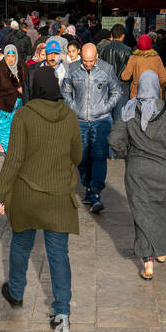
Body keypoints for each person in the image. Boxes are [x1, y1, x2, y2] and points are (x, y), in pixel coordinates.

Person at [0, 64, 82, 332]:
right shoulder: (69, 115)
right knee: (58, 254)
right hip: (58, 197)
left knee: (20, 244)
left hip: (27, 195)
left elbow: (14, 160)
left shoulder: (24, 116)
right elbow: (77, 155)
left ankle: (16, 292)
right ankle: (62, 310)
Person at [109, 71, 166, 280]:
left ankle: (147, 263)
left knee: (142, 215)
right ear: (157, 88)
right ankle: (161, 251)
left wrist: (127, 153)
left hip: (137, 172)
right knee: (164, 212)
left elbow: (113, 140)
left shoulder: (128, 109)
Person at [62, 41, 123, 214]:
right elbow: (65, 91)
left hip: (101, 121)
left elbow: (117, 91)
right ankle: (87, 186)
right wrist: (73, 107)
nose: (88, 64)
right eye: (85, 60)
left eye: (91, 61)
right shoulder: (72, 68)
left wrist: (104, 108)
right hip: (79, 120)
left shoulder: (107, 69)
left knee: (98, 156)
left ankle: (96, 192)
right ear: (81, 56)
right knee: (81, 157)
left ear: (96, 57)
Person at [0, 43, 26, 153]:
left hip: (19, 105)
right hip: (3, 106)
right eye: (8, 56)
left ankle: (14, 151)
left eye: (13, 56)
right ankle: (9, 152)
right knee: (2, 129)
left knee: (16, 130)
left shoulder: (22, 66)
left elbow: (28, 84)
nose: (11, 59)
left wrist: (23, 90)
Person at [121, 33, 166, 98]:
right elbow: (164, 78)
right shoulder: (157, 58)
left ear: (138, 44)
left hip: (137, 95)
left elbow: (125, 77)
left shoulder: (133, 58)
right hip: (154, 95)